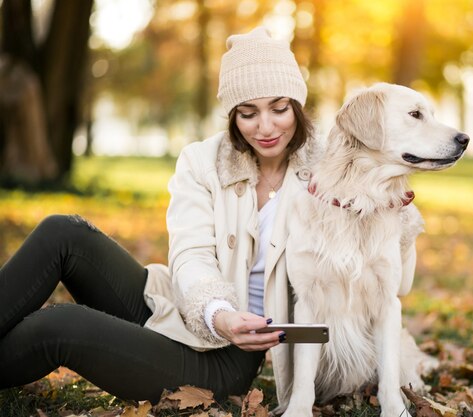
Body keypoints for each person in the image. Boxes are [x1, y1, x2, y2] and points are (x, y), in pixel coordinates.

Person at [0, 26, 317, 408]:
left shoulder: (331, 172)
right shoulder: (203, 161)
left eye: (279, 109)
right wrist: (219, 314)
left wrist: (386, 214)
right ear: (232, 116)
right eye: (248, 114)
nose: (265, 127)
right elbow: (191, 254)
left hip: (226, 360)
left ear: (298, 104)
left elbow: (383, 283)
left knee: (59, 325)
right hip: (186, 310)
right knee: (62, 232)